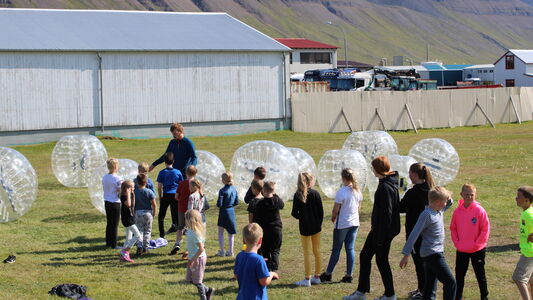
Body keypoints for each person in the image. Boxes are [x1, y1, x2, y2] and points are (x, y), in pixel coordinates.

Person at [345, 156, 400, 300]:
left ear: (378, 169)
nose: (372, 170)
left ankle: (389, 294)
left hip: (382, 232)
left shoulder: (385, 187)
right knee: (367, 257)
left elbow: (387, 215)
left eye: (373, 167)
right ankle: (363, 292)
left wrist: (380, 237)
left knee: (380, 260)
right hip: (381, 230)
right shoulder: (388, 182)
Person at [399, 186, 455, 300]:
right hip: (432, 254)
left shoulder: (439, 210)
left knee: (429, 286)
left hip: (432, 254)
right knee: (450, 282)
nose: (446, 203)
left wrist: (447, 197)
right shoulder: (427, 215)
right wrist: (406, 254)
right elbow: (414, 234)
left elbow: (450, 203)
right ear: (437, 202)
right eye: (444, 201)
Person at [398, 163, 436, 299]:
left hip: (416, 234)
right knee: (425, 263)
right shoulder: (432, 190)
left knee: (420, 264)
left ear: (414, 175)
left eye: (409, 173)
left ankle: (424, 291)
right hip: (430, 233)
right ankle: (423, 289)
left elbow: (400, 208)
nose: (408, 175)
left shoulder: (413, 193)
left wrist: (399, 192)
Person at [320, 168, 361, 285]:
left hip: (343, 224)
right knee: (350, 249)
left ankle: (328, 274)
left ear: (343, 178)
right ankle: (349, 275)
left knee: (336, 249)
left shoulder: (341, 192)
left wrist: (333, 217)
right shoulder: (358, 191)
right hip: (354, 223)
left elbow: (335, 209)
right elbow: (359, 208)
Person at [450, 184, 490, 300]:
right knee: (459, 275)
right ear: (461, 195)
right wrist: (457, 243)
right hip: (462, 249)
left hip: (477, 249)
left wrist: (477, 244)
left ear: (475, 195)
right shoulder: (457, 212)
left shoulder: (479, 211)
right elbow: (453, 228)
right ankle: (458, 296)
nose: (469, 197)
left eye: (472, 195)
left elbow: (485, 229)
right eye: (467, 194)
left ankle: (484, 296)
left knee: (480, 274)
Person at [292, 172, 324, 287]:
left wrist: (303, 217)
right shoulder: (316, 194)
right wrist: (317, 223)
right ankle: (317, 276)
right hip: (316, 227)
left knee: (307, 253)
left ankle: (307, 279)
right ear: (310, 181)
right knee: (317, 251)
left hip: (305, 228)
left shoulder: (297, 195)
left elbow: (294, 213)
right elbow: (321, 213)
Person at [234, 223, 279, 300]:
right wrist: (271, 274)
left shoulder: (239, 255)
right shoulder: (258, 260)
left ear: (243, 240)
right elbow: (264, 282)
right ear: (260, 240)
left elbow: (236, 275)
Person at [248, 181, 284, 272]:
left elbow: (256, 218)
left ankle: (267, 267)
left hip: (265, 230)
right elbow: (282, 205)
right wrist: (275, 195)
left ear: (263, 190)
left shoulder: (260, 203)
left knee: (266, 250)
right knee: (275, 250)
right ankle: (274, 267)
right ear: (273, 191)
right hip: (276, 229)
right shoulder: (276, 200)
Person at [185, 210, 214, 300]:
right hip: (193, 258)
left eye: (186, 219)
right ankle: (208, 290)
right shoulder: (189, 231)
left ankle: (203, 297)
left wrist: (192, 259)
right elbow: (191, 244)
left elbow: (201, 249)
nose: (184, 221)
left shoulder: (195, 233)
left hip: (198, 259)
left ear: (190, 220)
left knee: (197, 281)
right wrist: (187, 251)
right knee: (190, 279)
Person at [170, 165, 197, 255]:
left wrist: (181, 200)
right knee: (192, 228)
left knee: (180, 227)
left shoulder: (182, 183)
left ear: (186, 173)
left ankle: (177, 243)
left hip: (182, 208)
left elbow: (176, 196)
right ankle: (189, 246)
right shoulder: (196, 183)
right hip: (193, 209)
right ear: (195, 173)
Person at [156, 152, 184, 238]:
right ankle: (179, 233)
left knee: (161, 216)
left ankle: (162, 234)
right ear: (173, 161)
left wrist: (160, 197)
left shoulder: (162, 172)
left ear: (164, 161)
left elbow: (159, 187)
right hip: (175, 195)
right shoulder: (178, 172)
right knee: (177, 215)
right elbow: (181, 185)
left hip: (166, 194)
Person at [512, 186, 533, 300]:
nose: (516, 198)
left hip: (529, 253)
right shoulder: (529, 212)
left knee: (519, 278)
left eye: (519, 196)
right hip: (530, 251)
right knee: (531, 280)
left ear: (527, 200)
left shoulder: (528, 215)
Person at [216, 172, 239, 257]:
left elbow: (219, 204)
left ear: (224, 180)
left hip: (223, 212)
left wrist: (218, 204)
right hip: (231, 211)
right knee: (231, 233)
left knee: (220, 232)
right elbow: (236, 202)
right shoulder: (234, 189)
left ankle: (222, 251)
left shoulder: (222, 190)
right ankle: (231, 251)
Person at [134, 173, 157, 256]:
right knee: (147, 230)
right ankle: (145, 247)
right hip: (148, 213)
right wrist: (154, 212)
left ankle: (139, 246)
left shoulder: (135, 192)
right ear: (146, 183)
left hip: (138, 212)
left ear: (137, 183)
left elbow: (133, 204)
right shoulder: (149, 192)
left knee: (139, 230)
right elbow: (154, 204)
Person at [118, 180, 141, 263]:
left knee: (129, 238)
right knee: (138, 235)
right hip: (127, 219)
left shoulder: (131, 194)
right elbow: (128, 204)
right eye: (132, 187)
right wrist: (128, 194)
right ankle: (126, 251)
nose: (134, 188)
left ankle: (123, 256)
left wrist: (131, 194)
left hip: (131, 218)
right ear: (127, 189)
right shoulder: (123, 196)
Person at [102, 158, 122, 249]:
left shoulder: (104, 177)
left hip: (107, 201)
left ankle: (108, 242)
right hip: (115, 202)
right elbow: (120, 190)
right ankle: (114, 244)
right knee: (115, 224)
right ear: (115, 166)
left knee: (109, 223)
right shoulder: (117, 178)